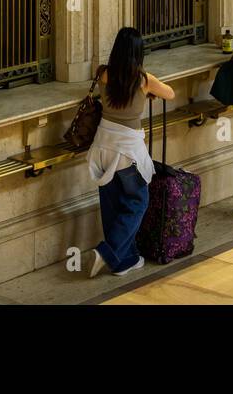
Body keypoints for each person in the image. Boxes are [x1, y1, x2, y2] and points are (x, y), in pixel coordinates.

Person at [86, 27, 175, 278]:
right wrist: (147, 94)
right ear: (139, 52)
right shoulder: (143, 80)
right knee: (138, 201)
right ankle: (108, 252)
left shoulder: (103, 73)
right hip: (127, 151)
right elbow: (170, 93)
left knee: (112, 203)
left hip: (102, 145)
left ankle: (125, 259)